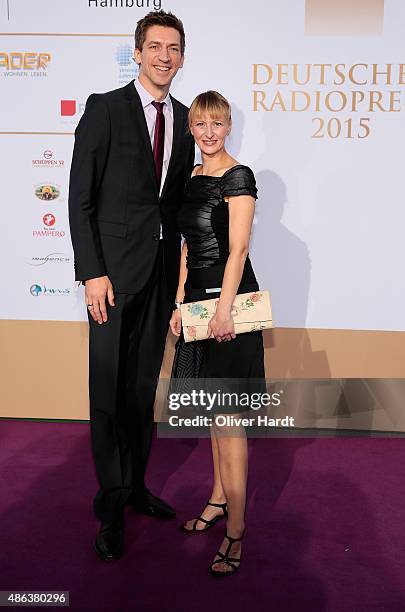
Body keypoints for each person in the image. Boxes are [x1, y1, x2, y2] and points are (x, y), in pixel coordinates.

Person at [68, 10, 194, 561]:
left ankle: (137, 485)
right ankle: (112, 502)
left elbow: (179, 206)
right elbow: (80, 199)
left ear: (182, 57)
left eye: (175, 48)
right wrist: (92, 271)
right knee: (109, 394)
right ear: (138, 52)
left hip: (161, 278)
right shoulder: (105, 108)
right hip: (111, 281)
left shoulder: (187, 119)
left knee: (141, 392)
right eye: (156, 46)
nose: (165, 56)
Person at [169, 91, 265, 577]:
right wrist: (181, 301)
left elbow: (238, 250)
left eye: (217, 123)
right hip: (199, 307)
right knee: (211, 412)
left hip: (229, 307)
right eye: (200, 124)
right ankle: (217, 498)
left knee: (230, 422)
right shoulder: (191, 176)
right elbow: (188, 244)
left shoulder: (238, 176)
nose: (208, 132)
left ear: (229, 127)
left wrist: (224, 310)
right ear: (191, 128)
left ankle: (237, 531)